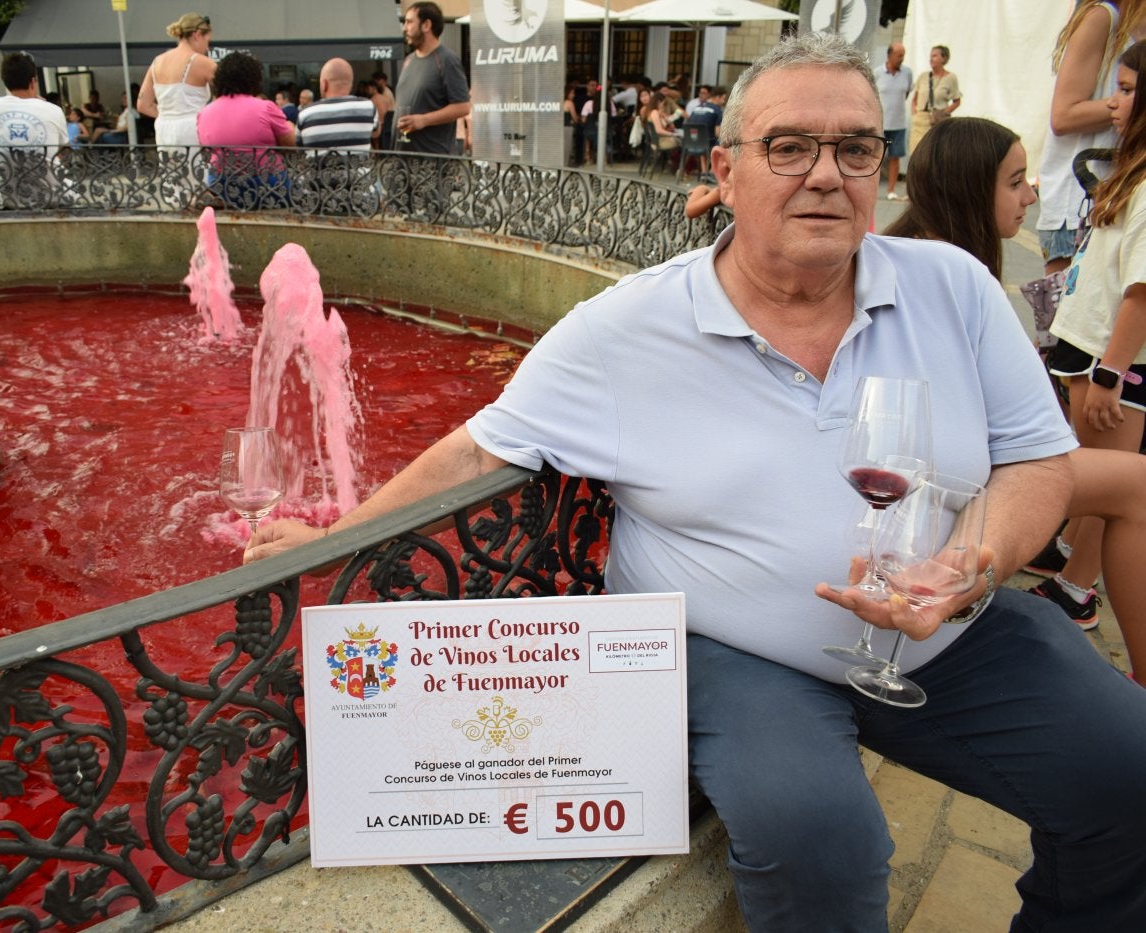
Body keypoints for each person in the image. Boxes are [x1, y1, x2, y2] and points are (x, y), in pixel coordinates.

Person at [247, 33, 1146, 930]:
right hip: (738, 650)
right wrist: (338, 538)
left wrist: (971, 563)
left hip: (949, 629)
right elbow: (481, 450)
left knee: (1129, 771)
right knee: (816, 833)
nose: (826, 174)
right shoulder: (627, 328)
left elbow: (1039, 460)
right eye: (789, 147)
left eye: (855, 149)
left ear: (883, 166)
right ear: (725, 166)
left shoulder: (952, 286)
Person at [885, 115, 1146, 677]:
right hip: (950, 475)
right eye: (1016, 181)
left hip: (952, 465)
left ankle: (1080, 595)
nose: (1031, 194)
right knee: (1138, 486)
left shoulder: (917, 253)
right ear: (972, 188)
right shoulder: (943, 272)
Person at [1044, 42, 1146, 638]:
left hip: (1115, 361)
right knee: (1090, 471)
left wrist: (1111, 373)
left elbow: (1141, 293)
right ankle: (1067, 566)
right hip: (1091, 347)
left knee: (1108, 484)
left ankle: (1078, 590)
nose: (1114, 100)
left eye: (1129, 90)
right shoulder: (1130, 166)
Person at [1037, 1, 1146, 278]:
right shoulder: (1103, 18)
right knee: (1077, 315)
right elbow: (1063, 115)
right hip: (1079, 207)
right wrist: (1133, 102)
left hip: (1115, 199)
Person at [195, 51, 296, 208]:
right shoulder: (265, 107)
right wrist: (290, 127)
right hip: (267, 184)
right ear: (254, 78)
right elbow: (290, 144)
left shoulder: (204, 113)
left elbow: (206, 152)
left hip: (222, 185)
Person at [394, 2, 471, 155]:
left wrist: (423, 120)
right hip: (403, 157)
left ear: (426, 25)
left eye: (409, 22)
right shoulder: (408, 60)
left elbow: (463, 106)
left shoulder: (447, 60)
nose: (404, 28)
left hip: (432, 161)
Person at [137, 13, 215, 149]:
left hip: (163, 129)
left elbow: (143, 105)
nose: (207, 48)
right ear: (197, 35)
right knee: (197, 169)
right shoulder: (203, 63)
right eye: (207, 41)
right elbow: (228, 97)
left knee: (171, 170)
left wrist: (169, 116)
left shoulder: (157, 61)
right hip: (193, 129)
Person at [0, 52, 66, 156]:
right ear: (33, 82)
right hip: (46, 171)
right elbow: (63, 148)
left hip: (6, 171)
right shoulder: (54, 110)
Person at [297, 58, 378, 151]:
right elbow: (375, 133)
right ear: (351, 84)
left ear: (324, 84)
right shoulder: (368, 107)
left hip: (318, 165)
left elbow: (299, 145)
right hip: (357, 165)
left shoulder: (305, 113)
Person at [874, 42, 914, 200]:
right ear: (889, 55)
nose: (901, 58)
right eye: (899, 55)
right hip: (880, 124)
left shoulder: (907, 73)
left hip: (898, 124)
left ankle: (891, 190)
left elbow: (907, 94)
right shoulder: (877, 73)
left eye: (903, 55)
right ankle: (872, 190)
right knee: (874, 157)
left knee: (895, 157)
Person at [909, 44, 960, 154]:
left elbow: (957, 101)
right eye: (930, 56)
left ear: (944, 58)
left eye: (935, 56)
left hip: (937, 121)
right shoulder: (923, 76)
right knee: (916, 153)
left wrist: (943, 113)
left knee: (933, 153)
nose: (931, 59)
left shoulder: (951, 78)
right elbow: (914, 99)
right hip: (920, 120)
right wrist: (914, 112)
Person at [372, 70, 397, 147]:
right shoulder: (384, 91)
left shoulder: (386, 93)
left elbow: (384, 109)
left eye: (377, 80)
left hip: (389, 116)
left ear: (383, 80)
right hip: (389, 116)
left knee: (385, 139)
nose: (375, 83)